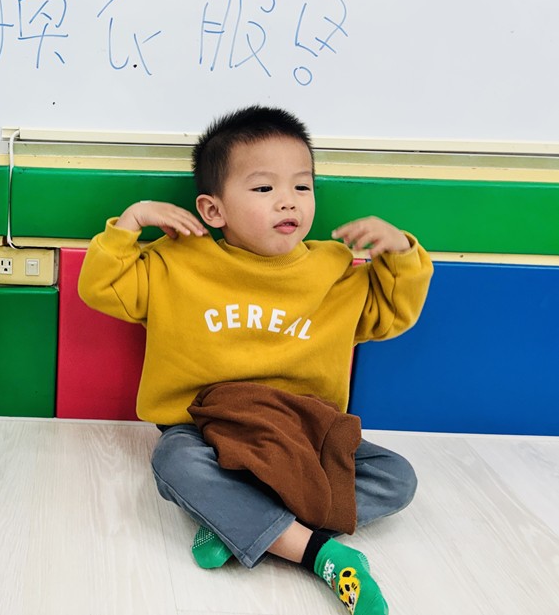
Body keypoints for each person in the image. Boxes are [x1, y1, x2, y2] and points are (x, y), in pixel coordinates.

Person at [78, 105, 432, 615]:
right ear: (213, 210)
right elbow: (101, 287)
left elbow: (391, 314)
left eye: (302, 186)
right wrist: (131, 222)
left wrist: (400, 252)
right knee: (173, 463)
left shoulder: (334, 270)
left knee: (397, 477)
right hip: (202, 429)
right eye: (264, 188)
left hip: (304, 432)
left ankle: (242, 523)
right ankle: (317, 552)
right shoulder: (178, 261)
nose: (288, 200)